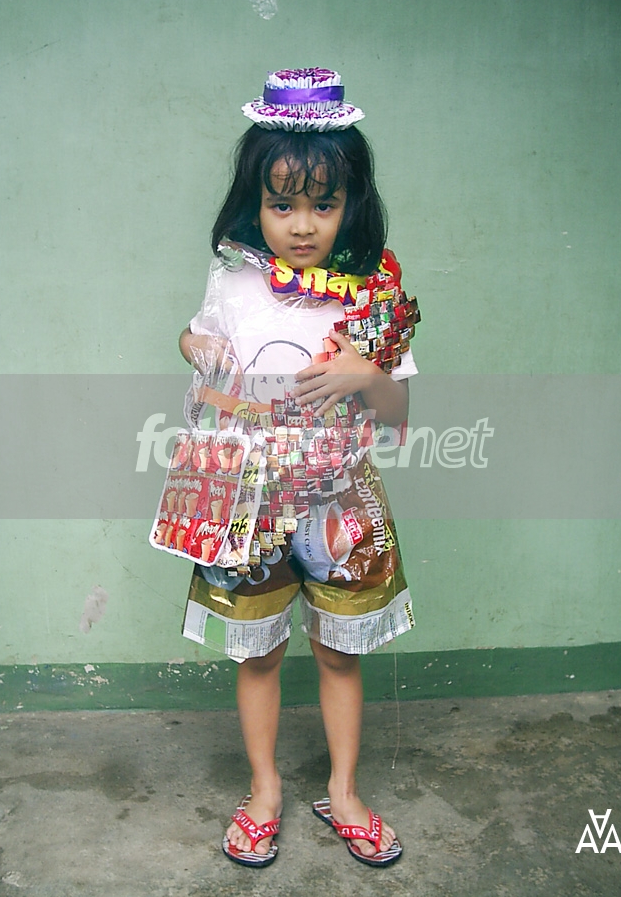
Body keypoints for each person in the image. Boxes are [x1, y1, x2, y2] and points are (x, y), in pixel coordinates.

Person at [176, 68, 419, 868]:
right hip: (245, 499)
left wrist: (365, 374)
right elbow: (199, 339)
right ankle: (264, 791)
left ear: (353, 203)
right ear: (253, 202)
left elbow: (398, 415)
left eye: (324, 203)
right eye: (282, 204)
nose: (303, 224)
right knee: (259, 654)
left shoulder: (372, 293)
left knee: (338, 654)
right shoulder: (232, 279)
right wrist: (192, 345)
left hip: (337, 503)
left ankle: (343, 791)